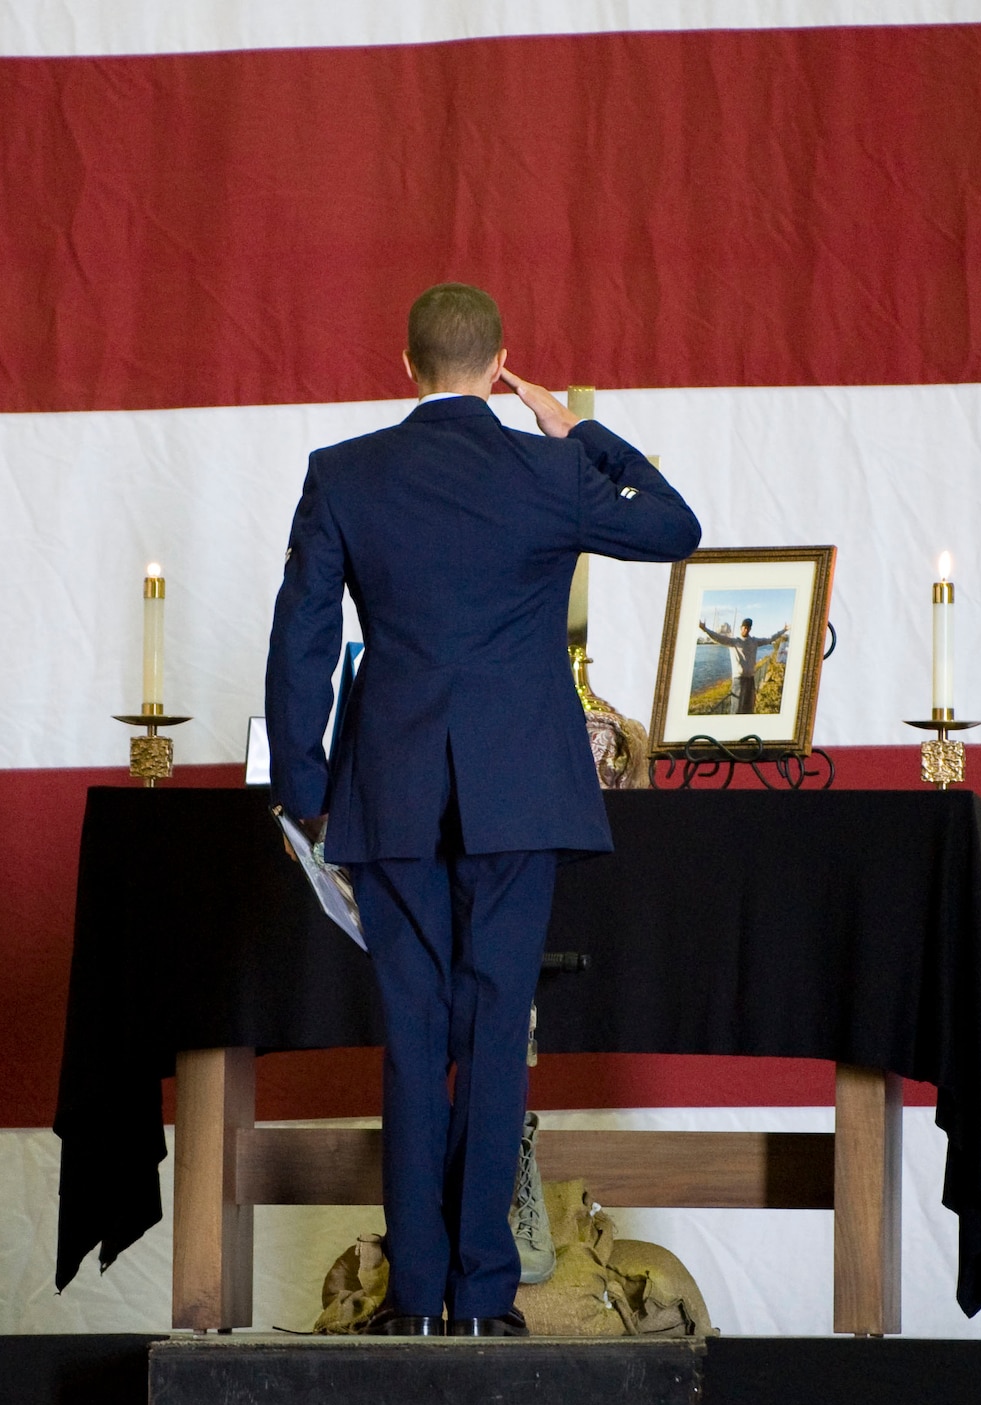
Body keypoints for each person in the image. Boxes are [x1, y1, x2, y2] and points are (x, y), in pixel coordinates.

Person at [265, 283, 700, 1337]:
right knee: (496, 1031)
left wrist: (304, 790)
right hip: (518, 794)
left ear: (402, 361)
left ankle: (414, 1299)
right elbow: (675, 528)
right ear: (500, 361)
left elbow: (302, 641)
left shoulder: (343, 474)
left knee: (413, 1039)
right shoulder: (548, 469)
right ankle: (485, 1300)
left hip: (394, 790)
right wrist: (579, 430)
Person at [698, 618, 778, 713]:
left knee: (749, 708)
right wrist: (705, 629)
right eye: (744, 627)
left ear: (750, 629)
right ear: (741, 628)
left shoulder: (754, 641)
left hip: (751, 679)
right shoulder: (734, 642)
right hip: (739, 680)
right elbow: (718, 637)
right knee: (736, 709)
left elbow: (769, 639)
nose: (746, 629)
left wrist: (783, 630)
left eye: (748, 628)